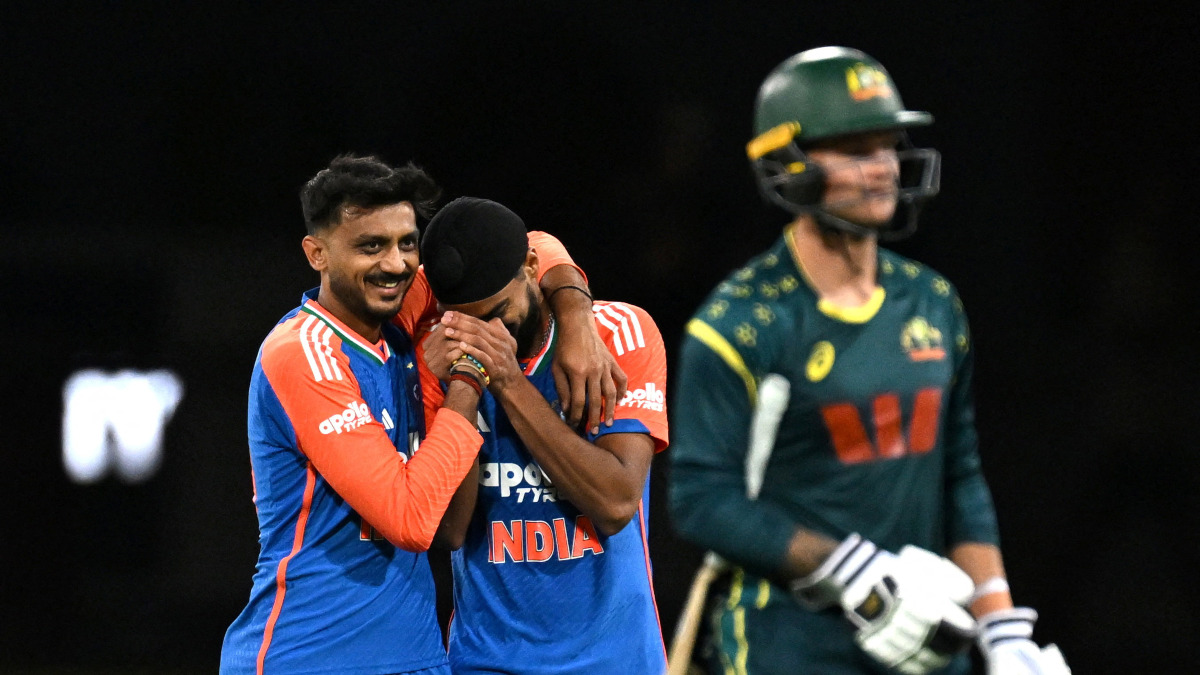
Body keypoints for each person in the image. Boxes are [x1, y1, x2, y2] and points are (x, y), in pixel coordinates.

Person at [668, 47, 1070, 675]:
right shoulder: (739, 324)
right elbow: (701, 498)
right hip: (786, 641)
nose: (883, 168)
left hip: (927, 637)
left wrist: (1000, 626)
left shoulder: (933, 303)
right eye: (857, 150)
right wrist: (849, 570)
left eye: (888, 146)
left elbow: (958, 474)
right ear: (788, 164)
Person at [220, 155, 621, 675]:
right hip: (311, 654)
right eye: (370, 246)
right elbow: (410, 521)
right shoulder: (304, 354)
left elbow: (521, 245)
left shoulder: (399, 320)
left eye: (406, 243)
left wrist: (576, 316)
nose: (395, 264)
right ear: (316, 253)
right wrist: (469, 377)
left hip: (417, 658)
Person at [417, 197, 670, 675]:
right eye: (469, 323)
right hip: (485, 662)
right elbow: (450, 531)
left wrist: (511, 382)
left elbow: (616, 503)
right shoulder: (441, 352)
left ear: (531, 269)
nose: (489, 336)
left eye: (498, 314)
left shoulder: (619, 334)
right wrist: (461, 387)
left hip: (614, 662)